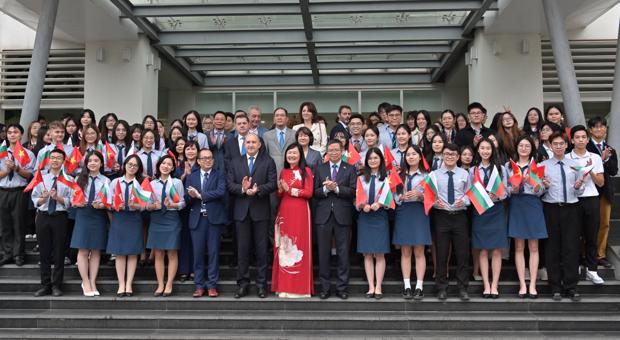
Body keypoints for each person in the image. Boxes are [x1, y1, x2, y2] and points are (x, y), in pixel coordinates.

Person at [227, 133, 277, 298]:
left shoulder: (268, 161)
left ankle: (262, 285)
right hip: (241, 212)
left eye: (253, 142)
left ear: (259, 144)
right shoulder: (235, 162)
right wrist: (243, 189)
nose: (250, 144)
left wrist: (258, 190)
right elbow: (230, 185)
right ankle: (243, 284)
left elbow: (272, 183)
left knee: (262, 250)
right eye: (247, 142)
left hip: (261, 211)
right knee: (242, 250)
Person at [541, 131, 584, 301]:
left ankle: (571, 287)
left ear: (567, 145)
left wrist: (579, 186)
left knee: (571, 248)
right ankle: (555, 287)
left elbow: (579, 190)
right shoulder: (543, 165)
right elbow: (538, 190)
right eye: (555, 144)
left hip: (572, 208)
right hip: (551, 208)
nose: (558, 146)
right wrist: (543, 186)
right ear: (550, 146)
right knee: (552, 248)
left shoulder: (575, 164)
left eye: (561, 143)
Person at [313, 139, 356, 299]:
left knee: (343, 253)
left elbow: (353, 191)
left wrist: (336, 188)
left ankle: (342, 288)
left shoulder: (350, 169)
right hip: (323, 216)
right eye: (330, 150)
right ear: (327, 152)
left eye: (336, 150)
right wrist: (325, 188)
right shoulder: (319, 168)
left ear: (342, 151)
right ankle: (324, 288)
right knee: (323, 254)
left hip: (342, 215)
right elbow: (314, 191)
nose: (333, 152)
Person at [271, 143, 314, 298]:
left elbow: (309, 192)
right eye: (289, 153)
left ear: (300, 155)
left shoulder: (306, 171)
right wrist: (281, 190)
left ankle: (300, 288)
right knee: (284, 246)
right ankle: (284, 287)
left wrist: (291, 190)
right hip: (285, 210)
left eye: (295, 153)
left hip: (301, 211)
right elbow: (280, 194)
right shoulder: (283, 171)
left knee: (299, 244)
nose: (292, 156)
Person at [508, 135, 547, 299]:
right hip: (517, 205)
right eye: (521, 145)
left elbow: (541, 191)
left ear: (532, 148)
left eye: (527, 146)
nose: (523, 148)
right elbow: (506, 190)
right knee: (518, 247)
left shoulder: (537, 166)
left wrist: (536, 184)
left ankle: (532, 285)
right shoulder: (509, 166)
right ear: (516, 147)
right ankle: (522, 284)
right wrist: (516, 187)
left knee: (534, 247)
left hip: (533, 206)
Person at [431, 143, 471, 301]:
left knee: (462, 254)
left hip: (460, 216)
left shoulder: (465, 174)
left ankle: (462, 288)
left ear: (458, 157)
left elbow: (470, 193)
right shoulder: (434, 174)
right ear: (442, 155)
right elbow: (428, 195)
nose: (449, 157)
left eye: (453, 154)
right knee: (441, 254)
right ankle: (441, 287)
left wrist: (465, 201)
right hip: (441, 216)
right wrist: (434, 202)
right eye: (447, 154)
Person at [185, 148, 228, 298]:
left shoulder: (219, 174)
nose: (207, 160)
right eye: (203, 158)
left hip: (213, 220)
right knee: (197, 254)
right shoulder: (192, 177)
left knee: (213, 253)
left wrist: (200, 195)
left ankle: (212, 285)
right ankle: (199, 286)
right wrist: (191, 196)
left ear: (213, 160)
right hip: (197, 220)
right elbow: (187, 199)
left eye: (209, 158)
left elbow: (221, 191)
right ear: (198, 161)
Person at [470, 137, 509, 298]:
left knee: (497, 250)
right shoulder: (473, 170)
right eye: (482, 148)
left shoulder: (500, 169)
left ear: (493, 151)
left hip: (496, 210)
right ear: (478, 150)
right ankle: (486, 284)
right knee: (483, 250)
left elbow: (507, 191)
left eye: (488, 148)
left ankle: (495, 285)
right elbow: (468, 191)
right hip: (480, 212)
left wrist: (498, 195)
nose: (485, 151)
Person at [567, 125, 605, 285]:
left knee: (591, 235)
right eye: (577, 137)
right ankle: (573, 267)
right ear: (572, 140)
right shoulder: (567, 157)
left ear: (587, 139)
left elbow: (601, 183)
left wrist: (589, 170)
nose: (581, 140)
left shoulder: (595, 157)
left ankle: (592, 270)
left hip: (591, 199)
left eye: (583, 137)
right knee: (573, 236)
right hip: (574, 200)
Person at [31, 148, 73, 297]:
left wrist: (58, 198)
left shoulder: (69, 179)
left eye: (58, 158)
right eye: (52, 158)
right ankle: (45, 285)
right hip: (43, 216)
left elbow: (71, 201)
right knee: (44, 252)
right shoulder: (40, 178)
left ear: (63, 161)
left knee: (59, 251)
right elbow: (34, 198)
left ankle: (56, 285)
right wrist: (43, 199)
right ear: (48, 160)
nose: (55, 160)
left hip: (60, 217)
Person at [393, 145, 431, 300]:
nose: (411, 157)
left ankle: (419, 286)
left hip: (420, 212)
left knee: (419, 251)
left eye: (414, 154)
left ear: (420, 156)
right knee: (405, 251)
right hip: (404, 212)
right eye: (408, 154)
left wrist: (420, 196)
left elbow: (432, 197)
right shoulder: (398, 175)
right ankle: (407, 285)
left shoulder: (427, 175)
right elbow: (392, 196)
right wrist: (400, 198)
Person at [70, 151, 110, 296]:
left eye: (96, 160)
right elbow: (71, 198)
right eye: (90, 160)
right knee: (83, 250)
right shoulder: (78, 179)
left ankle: (93, 281)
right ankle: (85, 281)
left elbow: (109, 200)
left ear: (101, 163)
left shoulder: (106, 180)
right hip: (83, 214)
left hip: (98, 215)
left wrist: (103, 205)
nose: (93, 163)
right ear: (86, 163)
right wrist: (77, 203)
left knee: (96, 250)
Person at [107, 154, 145, 297]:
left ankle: (129, 283)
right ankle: (121, 284)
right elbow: (109, 202)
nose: (132, 167)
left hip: (134, 218)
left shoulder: (141, 183)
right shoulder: (115, 182)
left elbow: (145, 205)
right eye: (130, 164)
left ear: (138, 168)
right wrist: (117, 205)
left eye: (135, 165)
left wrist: (137, 205)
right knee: (120, 252)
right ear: (124, 165)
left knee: (133, 252)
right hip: (119, 218)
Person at [146, 155, 185, 297]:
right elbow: (146, 204)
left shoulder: (176, 183)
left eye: (169, 164)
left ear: (173, 168)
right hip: (156, 219)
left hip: (172, 218)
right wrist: (152, 206)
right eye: (164, 163)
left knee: (172, 252)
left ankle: (169, 283)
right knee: (158, 253)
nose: (166, 166)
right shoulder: (152, 183)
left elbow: (182, 203)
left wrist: (173, 205)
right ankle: (160, 284)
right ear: (159, 166)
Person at [356, 147, 392, 299]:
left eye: (376, 158)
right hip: (365, 218)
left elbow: (392, 197)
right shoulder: (361, 178)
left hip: (380, 216)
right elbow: (356, 198)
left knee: (379, 252)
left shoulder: (388, 177)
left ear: (381, 160)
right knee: (367, 253)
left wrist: (381, 204)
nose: (372, 161)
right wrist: (362, 205)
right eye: (370, 159)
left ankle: (379, 287)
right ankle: (371, 287)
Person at [0, 124, 35, 267]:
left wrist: (17, 168)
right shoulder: (1, 152)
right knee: (5, 224)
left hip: (19, 191)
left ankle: (19, 254)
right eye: (9, 132)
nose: (12, 135)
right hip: (3, 191)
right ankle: (7, 253)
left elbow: (30, 175)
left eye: (15, 132)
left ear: (21, 135)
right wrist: (7, 171)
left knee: (19, 223)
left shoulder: (27, 153)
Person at [586, 116, 618, 268]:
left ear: (605, 129)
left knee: (604, 224)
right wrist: (600, 158)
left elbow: (613, 171)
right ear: (590, 130)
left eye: (601, 126)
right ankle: (585, 254)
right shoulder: (584, 147)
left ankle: (600, 255)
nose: (599, 129)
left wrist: (605, 160)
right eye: (595, 127)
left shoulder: (611, 149)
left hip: (605, 192)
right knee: (586, 224)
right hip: (588, 191)